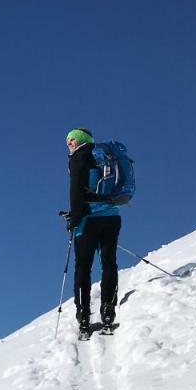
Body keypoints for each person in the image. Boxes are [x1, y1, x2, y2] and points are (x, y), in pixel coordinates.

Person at [64, 128, 122, 336]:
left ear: (81, 141)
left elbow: (76, 191)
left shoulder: (79, 158)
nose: (69, 143)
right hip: (112, 217)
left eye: (72, 139)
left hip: (88, 220)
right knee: (108, 261)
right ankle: (108, 309)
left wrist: (75, 218)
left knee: (83, 266)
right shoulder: (105, 158)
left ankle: (84, 314)